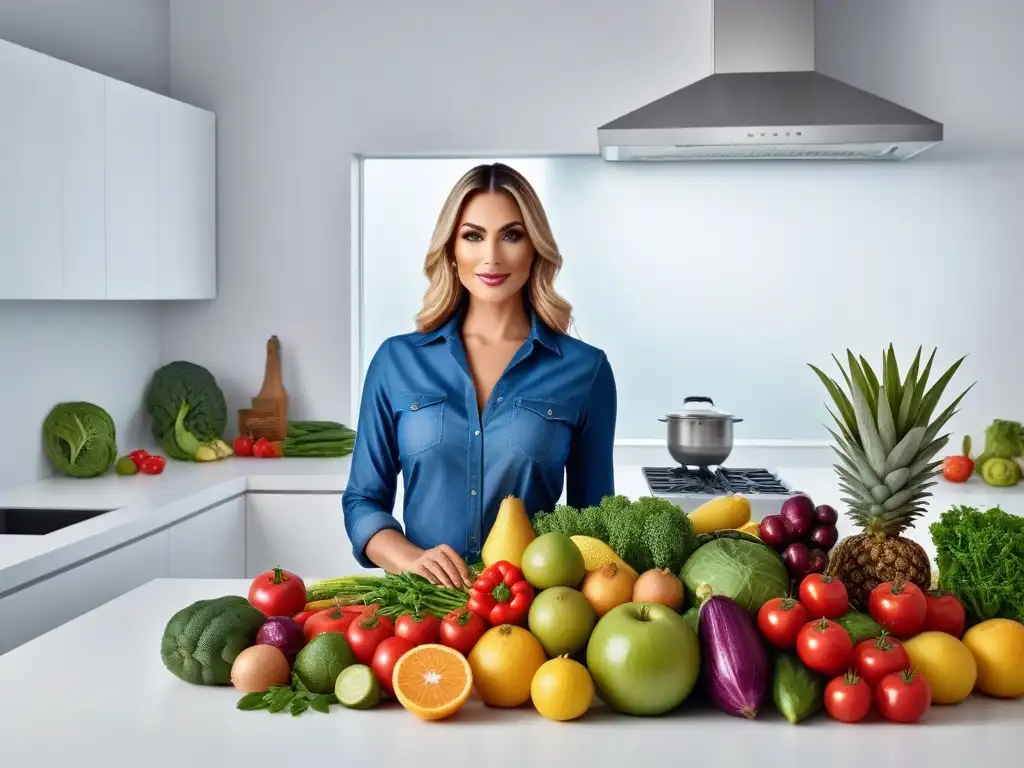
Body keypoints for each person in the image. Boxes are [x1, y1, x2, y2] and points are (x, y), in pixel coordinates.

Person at [343, 162, 617, 588]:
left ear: (535, 248)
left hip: (531, 617)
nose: (491, 255)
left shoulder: (585, 370)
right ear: (452, 249)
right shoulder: (395, 361)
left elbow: (594, 525)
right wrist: (410, 559)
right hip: (420, 612)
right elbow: (362, 500)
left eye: (511, 235)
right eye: (473, 235)